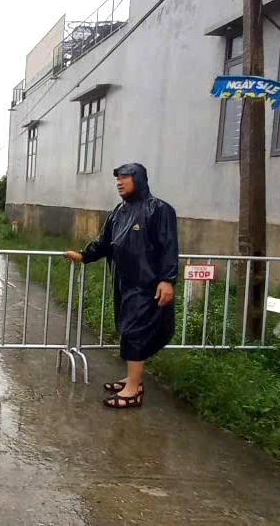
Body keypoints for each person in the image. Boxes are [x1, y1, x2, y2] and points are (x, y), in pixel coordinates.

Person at [64, 163, 178, 409]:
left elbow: (169, 247)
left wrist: (168, 280)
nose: (120, 182)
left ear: (139, 179)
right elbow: (105, 242)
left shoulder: (159, 210)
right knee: (128, 330)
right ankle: (133, 379)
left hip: (148, 284)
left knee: (135, 332)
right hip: (124, 283)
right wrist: (84, 255)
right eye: (118, 179)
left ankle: (133, 391)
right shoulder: (119, 211)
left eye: (126, 177)